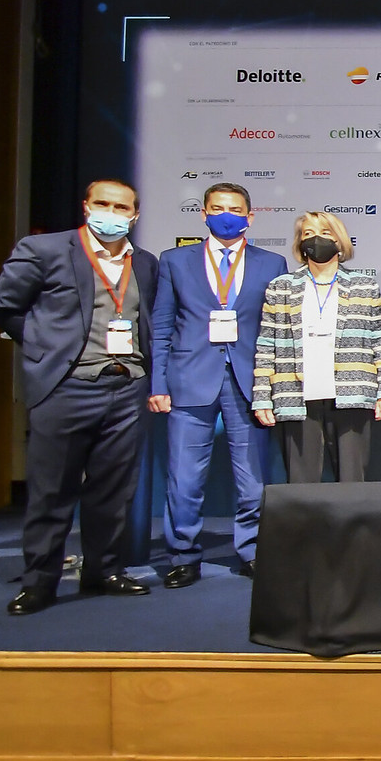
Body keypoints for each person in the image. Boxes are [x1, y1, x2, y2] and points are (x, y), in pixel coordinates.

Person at [0, 180, 160, 613]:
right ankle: (39, 582)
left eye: (121, 207)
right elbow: (3, 305)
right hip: (66, 387)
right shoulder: (44, 250)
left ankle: (104, 571)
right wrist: (44, 347)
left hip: (127, 386)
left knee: (114, 491)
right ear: (86, 206)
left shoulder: (145, 263)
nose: (111, 213)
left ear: (134, 215)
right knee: (52, 491)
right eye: (102, 204)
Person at [148, 182, 283, 585]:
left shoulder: (272, 263)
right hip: (189, 379)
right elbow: (161, 327)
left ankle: (252, 550)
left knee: (252, 480)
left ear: (250, 217)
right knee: (184, 478)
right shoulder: (175, 260)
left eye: (236, 209)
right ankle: (183, 554)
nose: (227, 215)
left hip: (249, 382)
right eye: (218, 208)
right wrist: (158, 384)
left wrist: (275, 386)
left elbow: (279, 330)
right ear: (204, 214)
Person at [250, 212, 381, 482]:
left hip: (352, 393)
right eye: (308, 233)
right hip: (295, 395)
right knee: (301, 483)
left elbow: (380, 343)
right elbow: (266, 346)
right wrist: (262, 397)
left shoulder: (364, 286)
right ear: (299, 243)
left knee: (352, 482)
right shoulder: (281, 287)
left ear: (339, 240)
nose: (316, 239)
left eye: (325, 233)